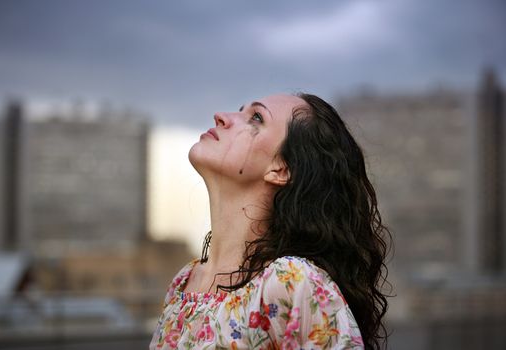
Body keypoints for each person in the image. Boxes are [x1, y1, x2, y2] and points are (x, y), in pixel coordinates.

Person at [150, 93, 391, 349]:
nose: (220, 117)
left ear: (281, 169)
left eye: (256, 117)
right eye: (240, 110)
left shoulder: (292, 282)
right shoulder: (184, 281)